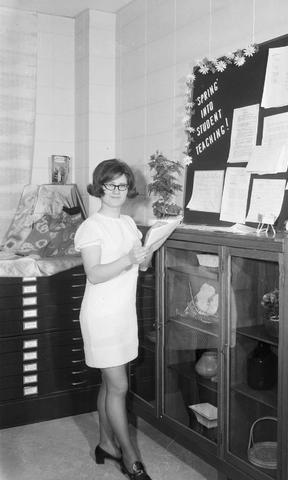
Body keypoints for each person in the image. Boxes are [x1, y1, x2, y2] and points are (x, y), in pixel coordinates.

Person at [74, 159, 153, 480]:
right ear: (99, 187)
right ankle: (130, 457)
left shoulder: (128, 224)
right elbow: (94, 274)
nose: (118, 191)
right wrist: (127, 259)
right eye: (111, 185)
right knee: (120, 385)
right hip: (101, 316)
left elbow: (138, 267)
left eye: (123, 185)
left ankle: (106, 443)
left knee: (111, 384)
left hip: (123, 315)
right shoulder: (91, 227)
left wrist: (143, 259)